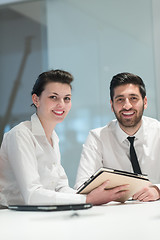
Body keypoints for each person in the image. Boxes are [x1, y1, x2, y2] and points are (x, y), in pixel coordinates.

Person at [0, 69, 128, 206]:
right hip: (11, 216)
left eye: (67, 98)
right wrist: (87, 199)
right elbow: (32, 195)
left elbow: (60, 187)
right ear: (36, 99)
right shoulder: (21, 134)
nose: (61, 104)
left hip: (41, 213)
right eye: (53, 97)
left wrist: (92, 195)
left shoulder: (53, 137)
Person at [75, 72, 160, 202]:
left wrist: (158, 190)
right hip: (114, 212)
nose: (127, 106)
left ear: (145, 102)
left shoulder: (158, 132)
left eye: (133, 98)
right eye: (120, 99)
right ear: (112, 104)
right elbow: (81, 186)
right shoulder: (97, 138)